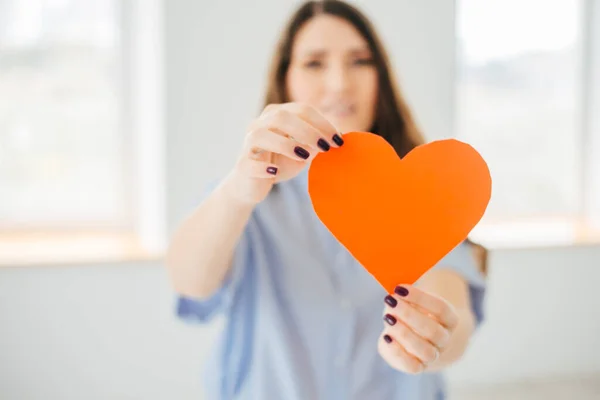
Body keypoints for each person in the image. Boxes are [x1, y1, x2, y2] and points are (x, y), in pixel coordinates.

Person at [166, 1, 486, 399]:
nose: (339, 83)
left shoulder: (431, 191)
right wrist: (238, 189)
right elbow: (190, 283)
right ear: (285, 81)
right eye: (314, 63)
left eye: (360, 61)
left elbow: (453, 308)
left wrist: (430, 340)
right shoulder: (243, 199)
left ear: (381, 79)